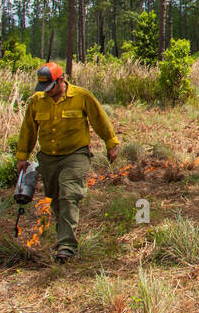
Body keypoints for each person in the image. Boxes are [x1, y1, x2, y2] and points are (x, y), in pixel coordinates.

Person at [15, 62, 120, 263]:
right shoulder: (37, 101)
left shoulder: (82, 96)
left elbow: (100, 119)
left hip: (76, 155)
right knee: (56, 198)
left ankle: (66, 246)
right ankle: (63, 235)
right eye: (43, 88)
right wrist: (22, 156)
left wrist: (111, 143)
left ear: (61, 80)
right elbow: (28, 130)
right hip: (48, 158)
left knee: (69, 194)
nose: (47, 92)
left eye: (50, 87)